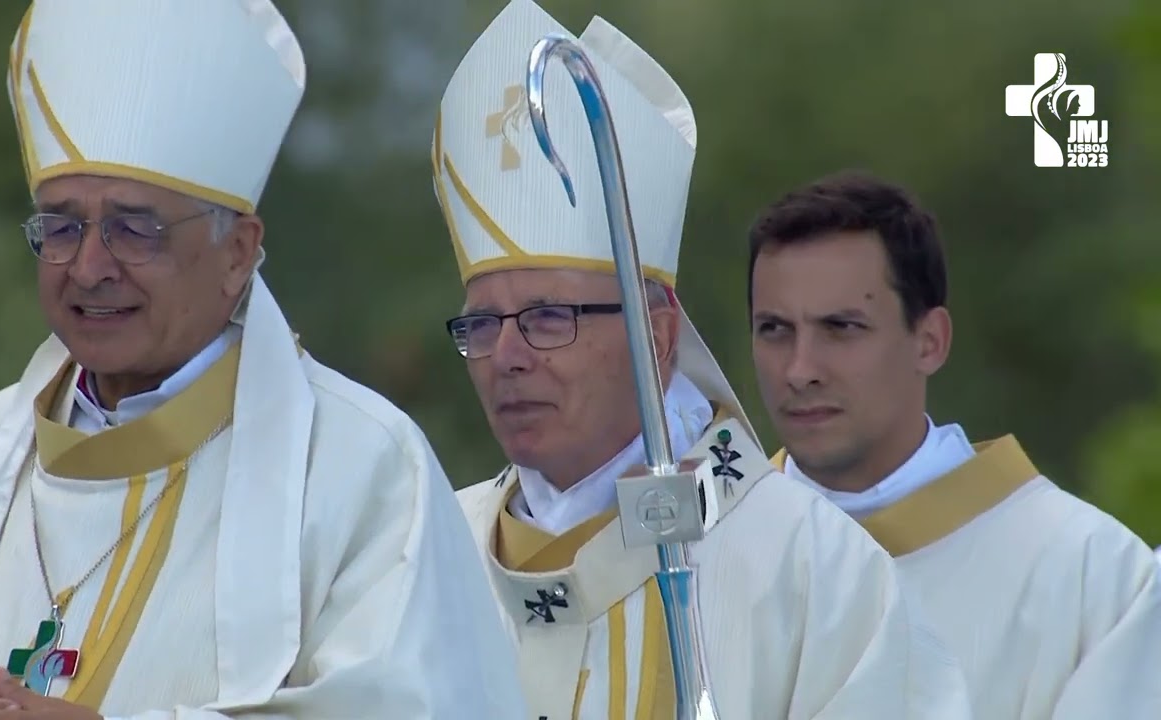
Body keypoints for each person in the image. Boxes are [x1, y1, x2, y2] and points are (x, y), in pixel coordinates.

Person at [0, 2, 528, 719]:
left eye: (134, 228)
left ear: (238, 254)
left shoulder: (359, 466)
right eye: (62, 226)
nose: (90, 266)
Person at [432, 1, 974, 717]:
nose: (505, 356)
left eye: (546, 318)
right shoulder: (433, 550)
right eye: (480, 324)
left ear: (655, 338)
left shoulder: (805, 567)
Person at [747, 170, 1161, 718]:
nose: (800, 371)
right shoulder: (706, 555)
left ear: (930, 341)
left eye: (841, 327)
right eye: (774, 330)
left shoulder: (1091, 574)